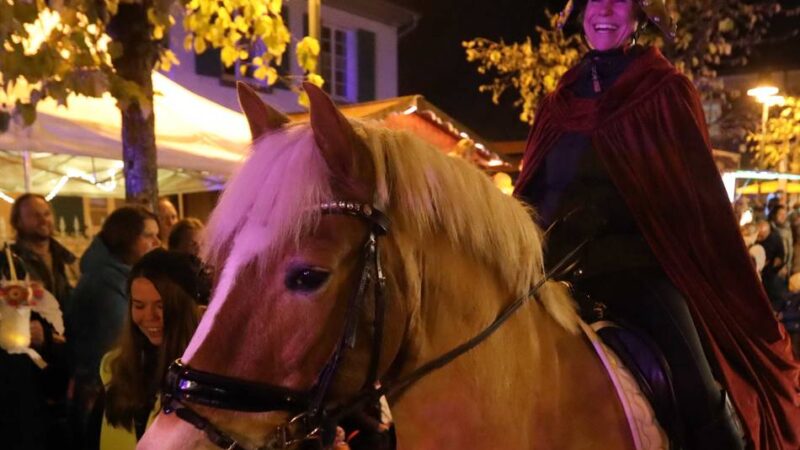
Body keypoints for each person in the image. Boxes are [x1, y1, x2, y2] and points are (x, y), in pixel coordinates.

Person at [514, 0, 800, 448]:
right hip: (552, 277)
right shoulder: (558, 103)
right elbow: (531, 197)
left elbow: (691, 203)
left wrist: (616, 214)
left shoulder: (664, 91)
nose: (604, 9)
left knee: (698, 391)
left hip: (638, 273)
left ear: (640, 14)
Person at [66, 206, 160, 449]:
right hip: (102, 392)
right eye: (148, 235)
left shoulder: (118, 276)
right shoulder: (106, 283)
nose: (157, 242)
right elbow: (121, 341)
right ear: (127, 236)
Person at [99, 249, 209, 449]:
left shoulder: (207, 377)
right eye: (139, 306)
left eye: (161, 306)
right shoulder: (114, 368)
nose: (150, 316)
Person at [10, 193, 77, 307]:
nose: (43, 220)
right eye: (35, 215)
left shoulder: (66, 258)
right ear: (18, 222)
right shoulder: (9, 261)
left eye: (46, 214)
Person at [769, 204, 793, 276]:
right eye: (780, 214)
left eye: (785, 214)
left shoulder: (788, 228)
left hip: (787, 269)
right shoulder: (769, 230)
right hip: (775, 271)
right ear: (774, 215)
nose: (783, 216)